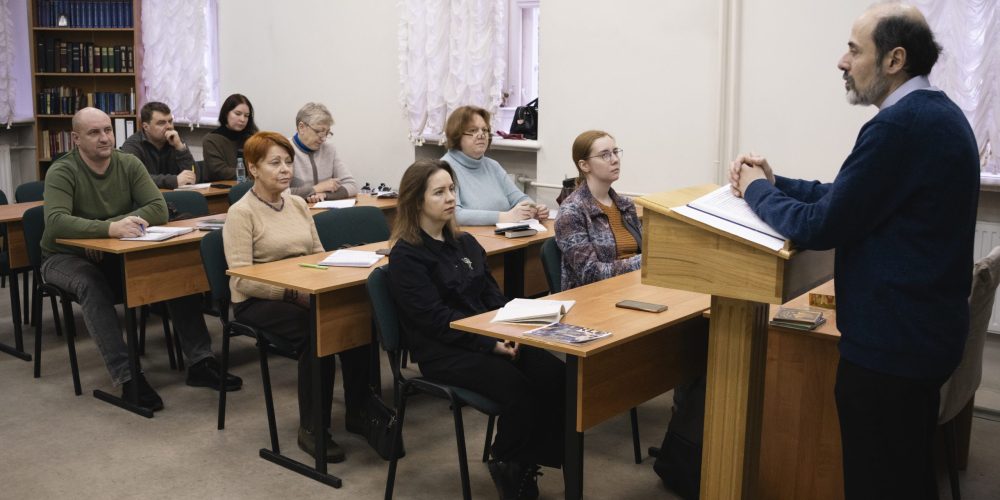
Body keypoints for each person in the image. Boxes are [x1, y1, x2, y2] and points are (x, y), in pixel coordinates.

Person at [728, 4, 979, 498]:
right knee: (905, 476)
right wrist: (777, 183)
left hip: (892, 348)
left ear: (894, 60)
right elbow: (849, 196)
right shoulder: (938, 114)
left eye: (853, 49)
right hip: (919, 339)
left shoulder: (898, 126)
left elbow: (822, 225)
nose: (842, 62)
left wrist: (755, 190)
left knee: (880, 482)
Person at [41, 107, 242, 412]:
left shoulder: (127, 162)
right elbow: (56, 223)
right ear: (76, 138)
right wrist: (108, 229)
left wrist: (109, 231)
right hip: (63, 256)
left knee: (171, 269)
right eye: (94, 133)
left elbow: (158, 208)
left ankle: (201, 362)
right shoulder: (62, 170)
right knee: (90, 284)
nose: (104, 138)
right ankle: (127, 376)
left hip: (114, 248)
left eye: (107, 130)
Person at [387, 159, 564, 499]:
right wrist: (489, 345)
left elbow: (491, 295)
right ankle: (509, 461)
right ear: (416, 201)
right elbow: (436, 320)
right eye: (439, 192)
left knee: (556, 376)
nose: (450, 198)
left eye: (452, 189)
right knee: (518, 390)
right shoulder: (407, 257)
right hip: (444, 351)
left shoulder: (465, 242)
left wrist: (509, 331)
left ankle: (523, 460)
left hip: (486, 336)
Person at [223, 131, 370, 463]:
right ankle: (313, 428)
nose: (285, 169)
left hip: (304, 290)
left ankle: (360, 411)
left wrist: (324, 281)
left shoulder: (299, 204)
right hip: (258, 300)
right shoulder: (241, 213)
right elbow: (241, 278)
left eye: (288, 162)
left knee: (354, 317)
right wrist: (291, 293)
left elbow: (318, 256)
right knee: (316, 331)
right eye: (274, 163)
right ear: (253, 168)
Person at [555, 130, 640, 291]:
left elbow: (645, 251)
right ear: (584, 165)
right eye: (605, 155)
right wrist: (645, 262)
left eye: (615, 152)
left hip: (634, 287)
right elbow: (591, 273)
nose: (615, 160)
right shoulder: (571, 212)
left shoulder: (626, 205)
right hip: (595, 296)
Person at [441, 105, 550, 225]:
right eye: (473, 130)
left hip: (503, 232)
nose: (481, 135)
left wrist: (534, 209)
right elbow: (454, 214)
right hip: (472, 235)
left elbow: (518, 198)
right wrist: (505, 217)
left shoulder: (493, 166)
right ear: (456, 135)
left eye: (484, 130)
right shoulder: (444, 169)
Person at [288, 102, 359, 202]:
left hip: (325, 209)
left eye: (327, 133)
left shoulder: (329, 149)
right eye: (319, 132)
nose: (323, 138)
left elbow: (352, 185)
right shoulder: (284, 150)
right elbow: (278, 194)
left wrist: (324, 195)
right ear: (301, 127)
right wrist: (317, 188)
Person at [120, 101, 198, 189]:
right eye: (161, 123)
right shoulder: (132, 146)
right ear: (146, 127)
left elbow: (194, 177)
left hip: (174, 195)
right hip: (146, 197)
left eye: (170, 121)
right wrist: (174, 180)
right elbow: (134, 178)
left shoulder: (175, 141)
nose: (169, 126)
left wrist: (180, 148)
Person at [203, 93, 258, 181]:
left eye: (246, 116)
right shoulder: (211, 140)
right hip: (221, 187)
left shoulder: (252, 137)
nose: (242, 119)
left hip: (250, 184)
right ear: (226, 113)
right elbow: (219, 171)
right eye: (238, 114)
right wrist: (254, 173)